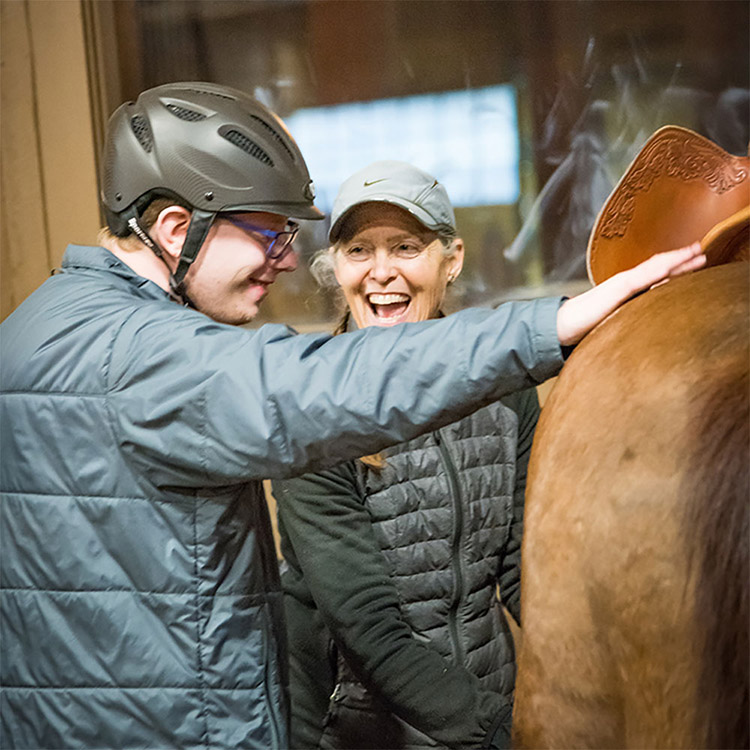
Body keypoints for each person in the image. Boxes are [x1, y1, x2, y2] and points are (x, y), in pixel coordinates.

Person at [0, 81, 705, 750]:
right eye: (268, 234)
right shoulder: (140, 351)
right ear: (178, 228)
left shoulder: (46, 325)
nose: (281, 261)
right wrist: (553, 323)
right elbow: (322, 387)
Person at [273, 160, 535, 750]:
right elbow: (369, 627)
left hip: (490, 697)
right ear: (336, 267)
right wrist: (502, 730)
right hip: (360, 728)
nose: (381, 272)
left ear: (453, 259)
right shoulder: (313, 410)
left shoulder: (505, 390)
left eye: (406, 247)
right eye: (359, 250)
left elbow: (523, 569)